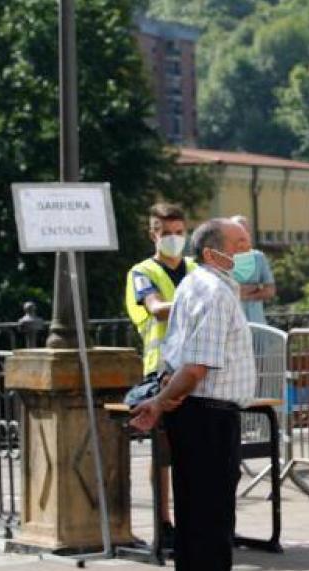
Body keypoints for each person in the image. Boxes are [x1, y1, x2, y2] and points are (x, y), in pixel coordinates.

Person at [129, 218, 267, 571]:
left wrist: (163, 401)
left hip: (197, 415)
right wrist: (162, 401)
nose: (249, 251)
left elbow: (182, 357)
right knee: (211, 527)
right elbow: (197, 367)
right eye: (240, 244)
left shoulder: (191, 285)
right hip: (210, 416)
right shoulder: (214, 291)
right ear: (214, 253)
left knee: (192, 525)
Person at [124, 202, 194, 545]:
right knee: (164, 453)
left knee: (199, 451)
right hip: (162, 372)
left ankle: (201, 521)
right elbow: (154, 309)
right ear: (153, 234)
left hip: (199, 368)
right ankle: (163, 522)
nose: (174, 239)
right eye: (166, 234)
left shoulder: (197, 267)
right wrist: (198, 302)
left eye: (179, 233)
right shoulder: (142, 272)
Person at [229, 215, 276, 325]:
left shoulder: (258, 257)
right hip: (231, 323)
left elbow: (270, 290)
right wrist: (253, 288)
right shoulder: (221, 258)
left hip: (256, 322)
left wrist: (246, 296)